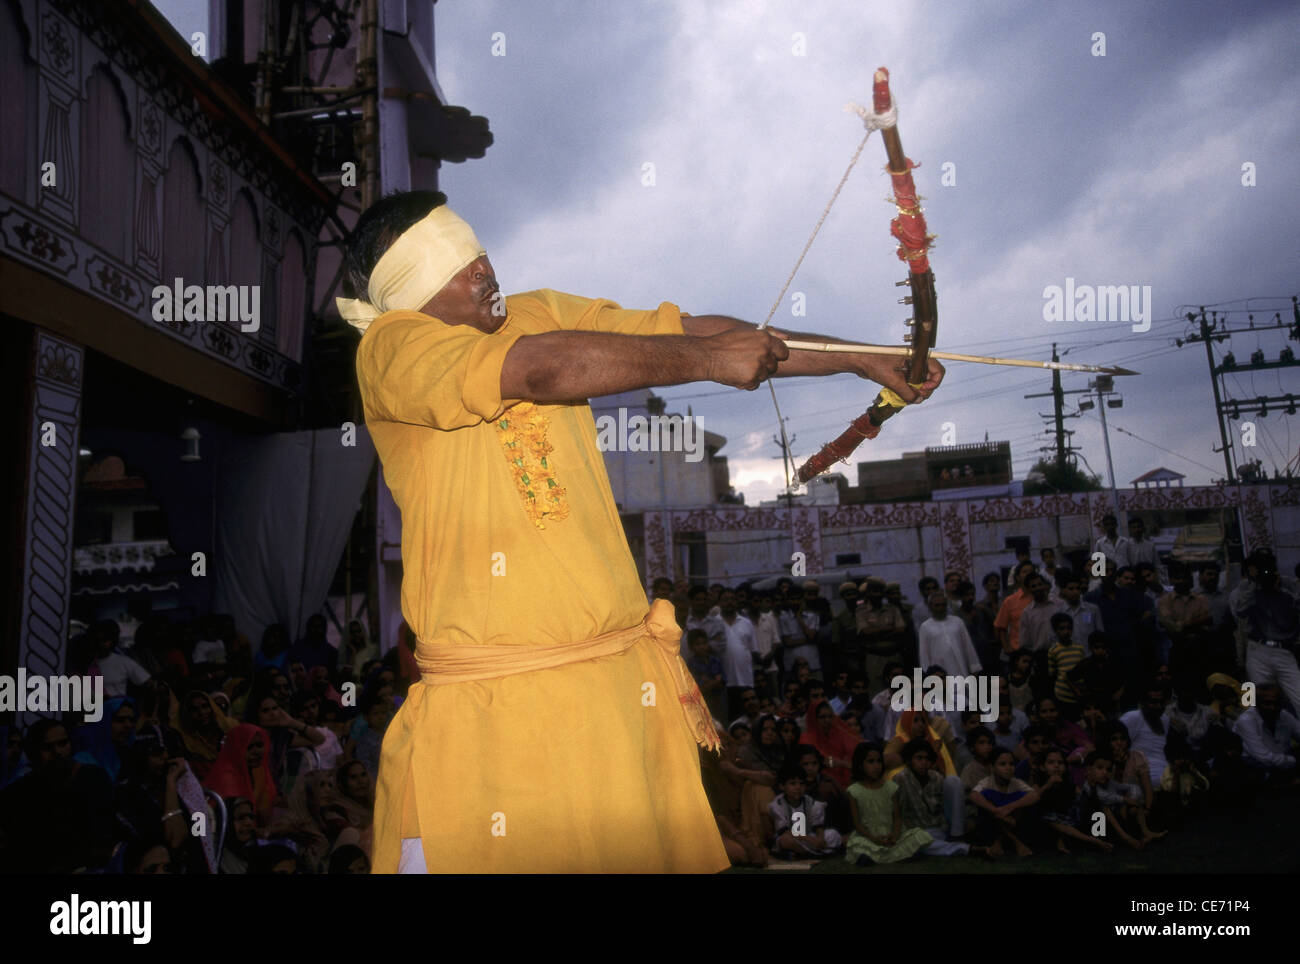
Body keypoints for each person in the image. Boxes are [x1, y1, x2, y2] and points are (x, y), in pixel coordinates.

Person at [345, 191, 942, 873]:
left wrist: (865, 357)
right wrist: (710, 360)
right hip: (495, 717)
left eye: (478, 249)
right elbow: (540, 368)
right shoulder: (392, 348)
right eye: (457, 261)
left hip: (615, 695)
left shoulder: (538, 312)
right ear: (407, 288)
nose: (483, 266)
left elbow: (693, 329)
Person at [1229, 549, 1300, 713]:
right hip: (1258, 650)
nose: (1265, 571)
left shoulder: (1288, 584)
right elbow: (1239, 611)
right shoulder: (1247, 587)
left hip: (1285, 651)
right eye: (1261, 566)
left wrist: (1279, 590)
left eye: (1267, 565)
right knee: (1256, 700)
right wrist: (1255, 584)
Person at [844, 742, 931, 865]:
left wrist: (895, 835)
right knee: (858, 846)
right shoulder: (854, 791)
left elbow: (897, 817)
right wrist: (873, 838)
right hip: (868, 837)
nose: (876, 766)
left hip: (890, 835)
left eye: (879, 761)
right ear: (860, 765)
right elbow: (857, 824)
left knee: (919, 835)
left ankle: (884, 854)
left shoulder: (891, 788)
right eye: (871, 762)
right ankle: (887, 855)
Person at [893, 739, 975, 856]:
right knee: (916, 842)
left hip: (942, 827)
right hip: (918, 831)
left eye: (927, 759)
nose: (924, 762)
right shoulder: (901, 778)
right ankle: (965, 849)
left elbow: (951, 802)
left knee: (953, 781)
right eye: (919, 758)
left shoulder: (936, 777)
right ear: (910, 760)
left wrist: (968, 818)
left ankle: (957, 836)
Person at [968, 747, 1037, 856]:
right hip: (992, 823)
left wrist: (1010, 807)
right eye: (1002, 764)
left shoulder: (1016, 782)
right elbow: (973, 795)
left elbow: (1034, 795)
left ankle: (999, 841)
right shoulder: (987, 782)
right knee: (986, 796)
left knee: (1024, 799)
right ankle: (1015, 842)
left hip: (1013, 819)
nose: (1008, 768)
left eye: (1011, 764)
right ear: (992, 767)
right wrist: (997, 811)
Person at [768, 765, 842, 859]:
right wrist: (810, 840)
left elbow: (818, 826)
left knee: (833, 834)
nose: (798, 787)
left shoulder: (810, 802)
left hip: (808, 836)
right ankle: (816, 854)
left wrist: (819, 839)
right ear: (782, 786)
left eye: (801, 784)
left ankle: (802, 854)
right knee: (785, 841)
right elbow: (784, 831)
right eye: (793, 784)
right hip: (793, 837)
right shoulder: (778, 805)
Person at [1232, 683, 1298, 781]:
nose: (1273, 708)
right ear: (1257, 704)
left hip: (1284, 761)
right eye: (1267, 703)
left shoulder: (1283, 715)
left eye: (1276, 703)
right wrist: (1294, 761)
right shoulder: (1246, 721)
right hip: (1256, 767)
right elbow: (1263, 757)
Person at [798, 698, 863, 790]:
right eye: (822, 717)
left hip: (845, 781)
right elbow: (826, 761)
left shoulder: (838, 735)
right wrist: (844, 764)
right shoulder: (806, 739)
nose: (827, 721)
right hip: (818, 785)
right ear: (814, 718)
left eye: (830, 717)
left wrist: (843, 763)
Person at [917, 591, 982, 678]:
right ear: (930, 607)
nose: (940, 608)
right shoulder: (925, 627)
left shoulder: (957, 622)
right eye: (937, 605)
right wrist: (927, 675)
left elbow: (968, 646)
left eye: (943, 604)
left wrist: (974, 667)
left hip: (961, 670)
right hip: (939, 674)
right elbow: (924, 654)